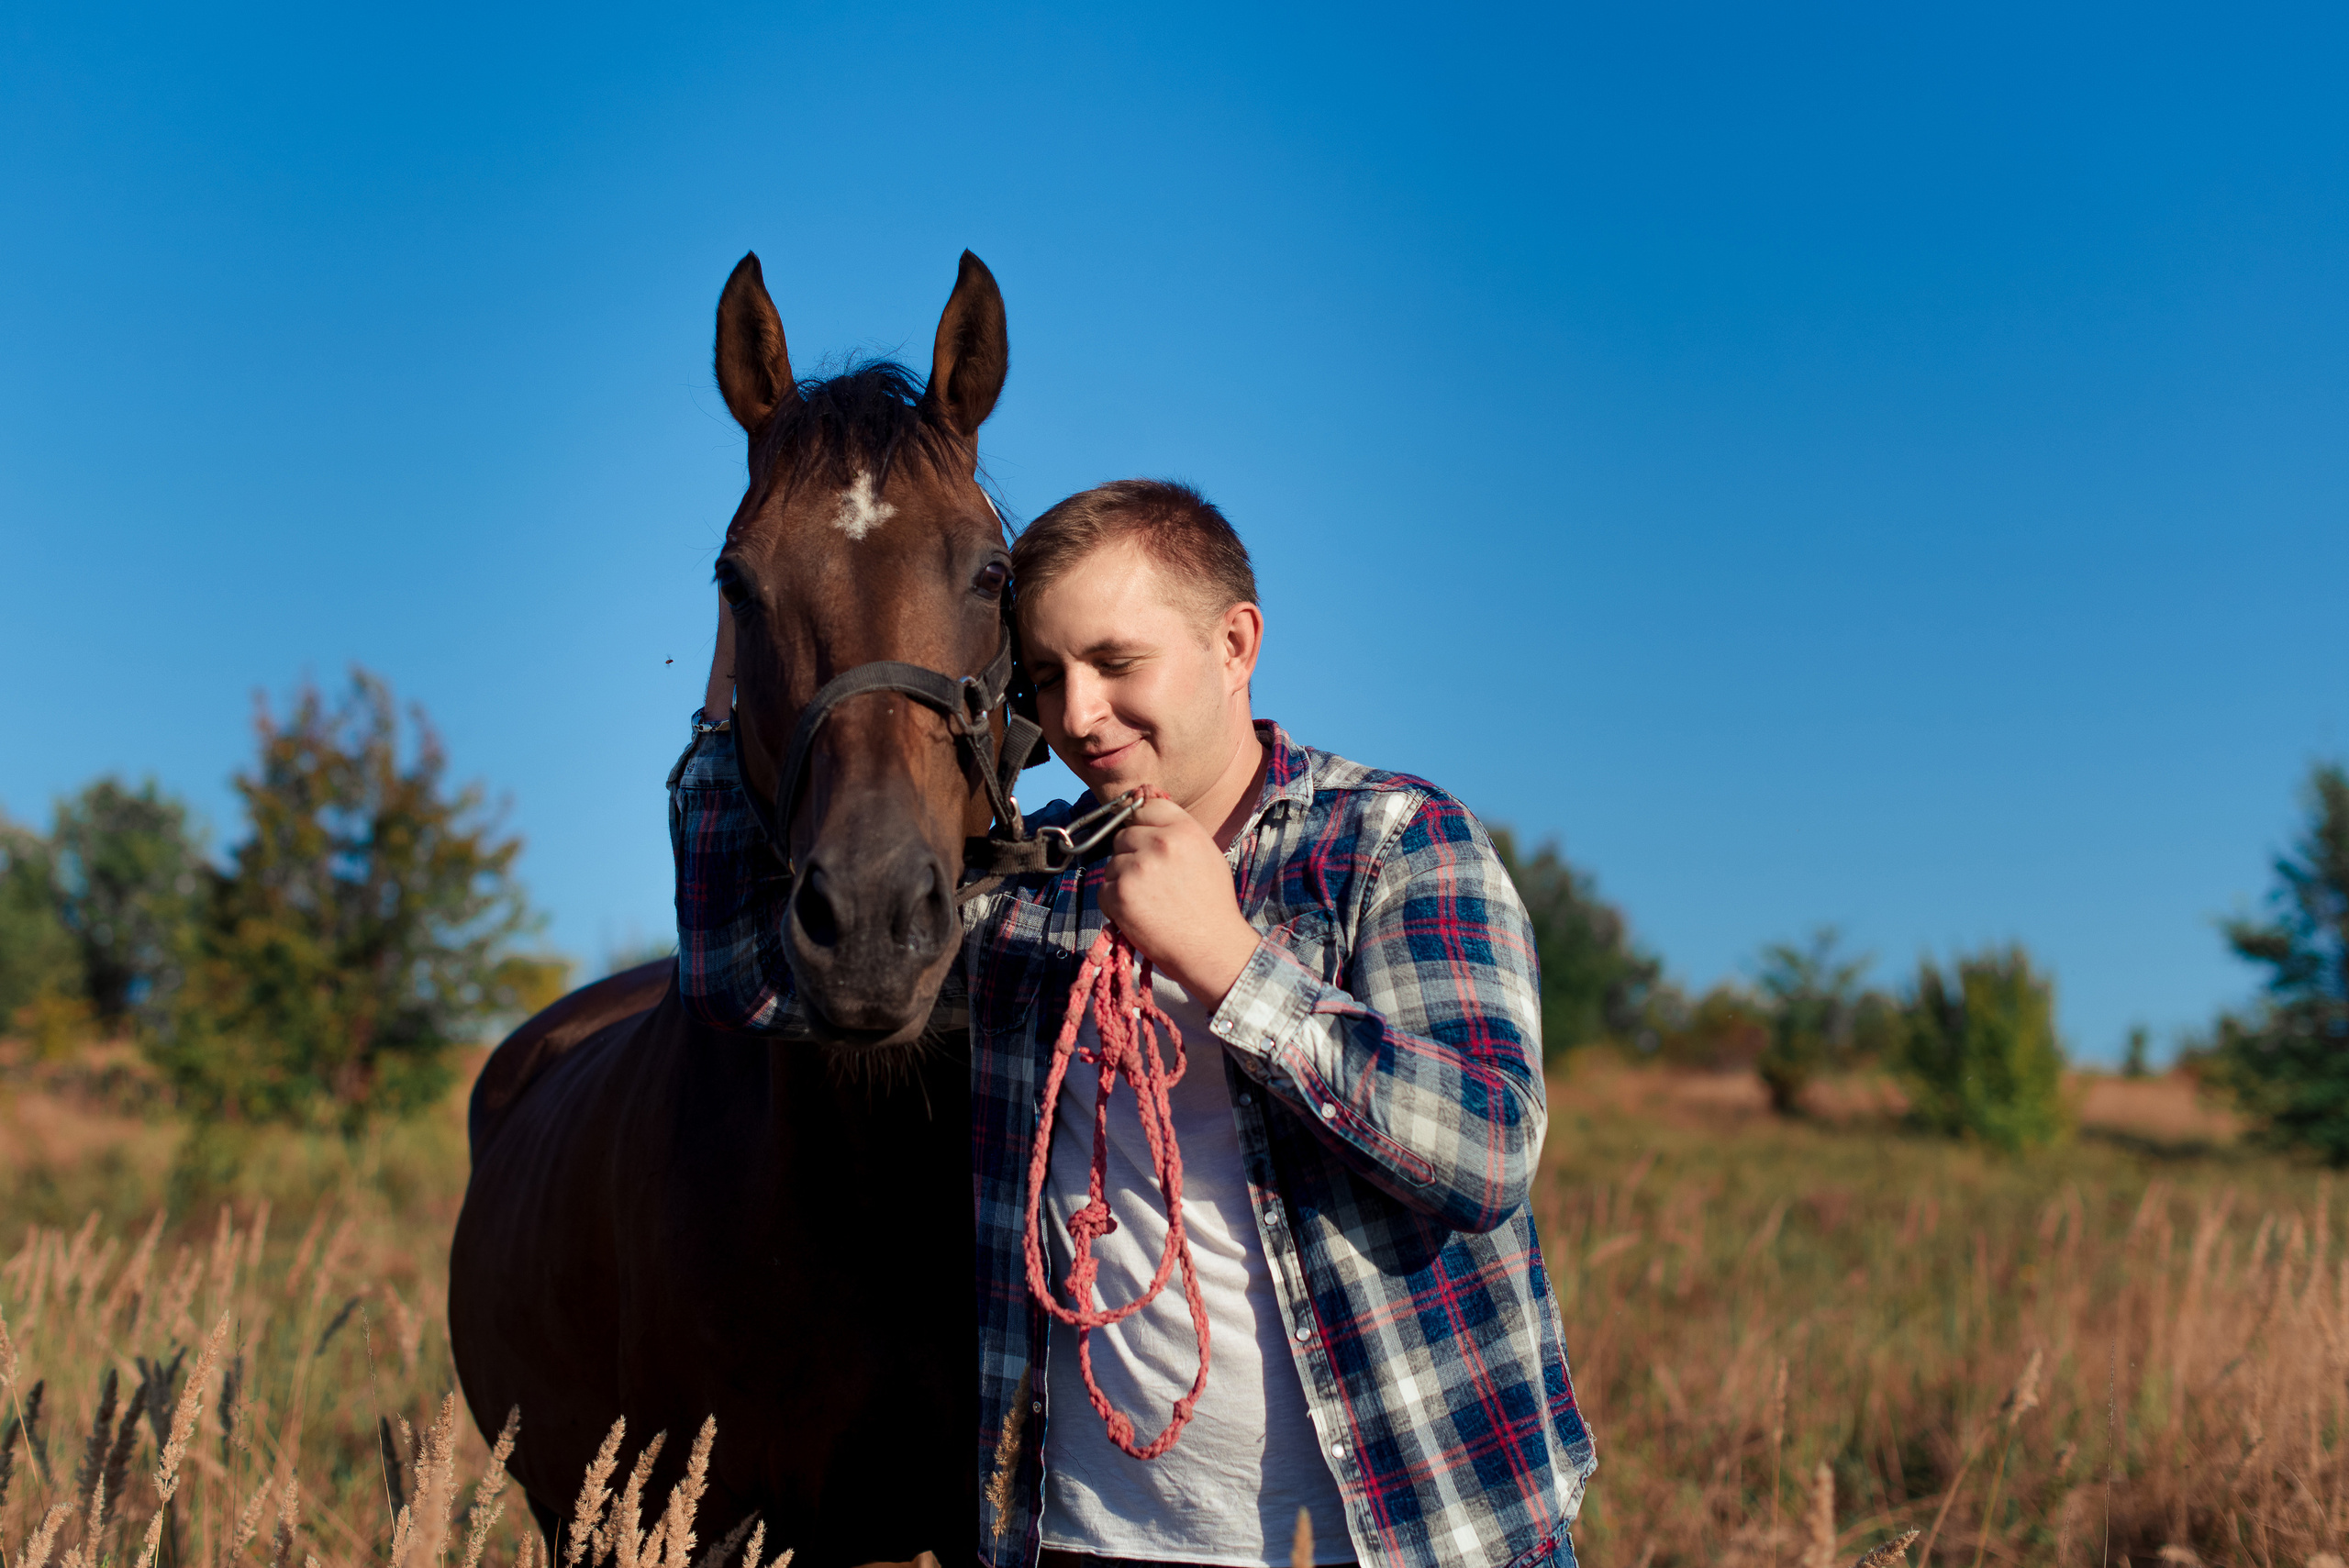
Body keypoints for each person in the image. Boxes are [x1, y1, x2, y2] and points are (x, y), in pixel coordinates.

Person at [672, 479, 1594, 1568]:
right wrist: (740, 663)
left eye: (1116, 664)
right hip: (1090, 1538)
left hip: (1409, 1528)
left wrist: (1229, 962)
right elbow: (746, 975)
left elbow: (1483, 1154)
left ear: (1235, 642)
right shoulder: (1031, 896)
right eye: (1048, 676)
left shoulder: (1391, 845)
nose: (1078, 716)